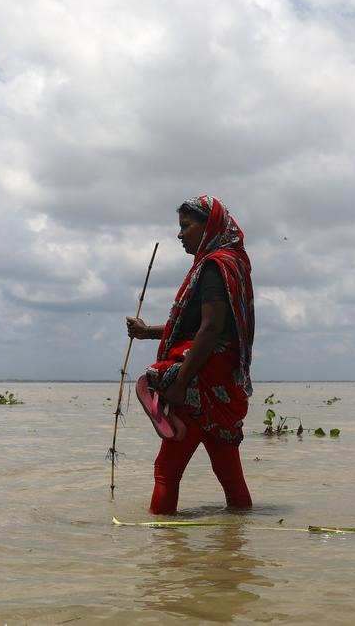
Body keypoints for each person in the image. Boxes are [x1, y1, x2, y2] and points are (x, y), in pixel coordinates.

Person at [126, 195, 255, 515]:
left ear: (207, 226)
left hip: (199, 383)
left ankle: (164, 554)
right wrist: (148, 332)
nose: (179, 235)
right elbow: (206, 328)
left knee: (166, 471)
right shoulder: (232, 265)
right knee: (230, 476)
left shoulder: (213, 267)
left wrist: (181, 382)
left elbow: (210, 330)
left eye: (186, 226)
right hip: (223, 390)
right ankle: (237, 550)